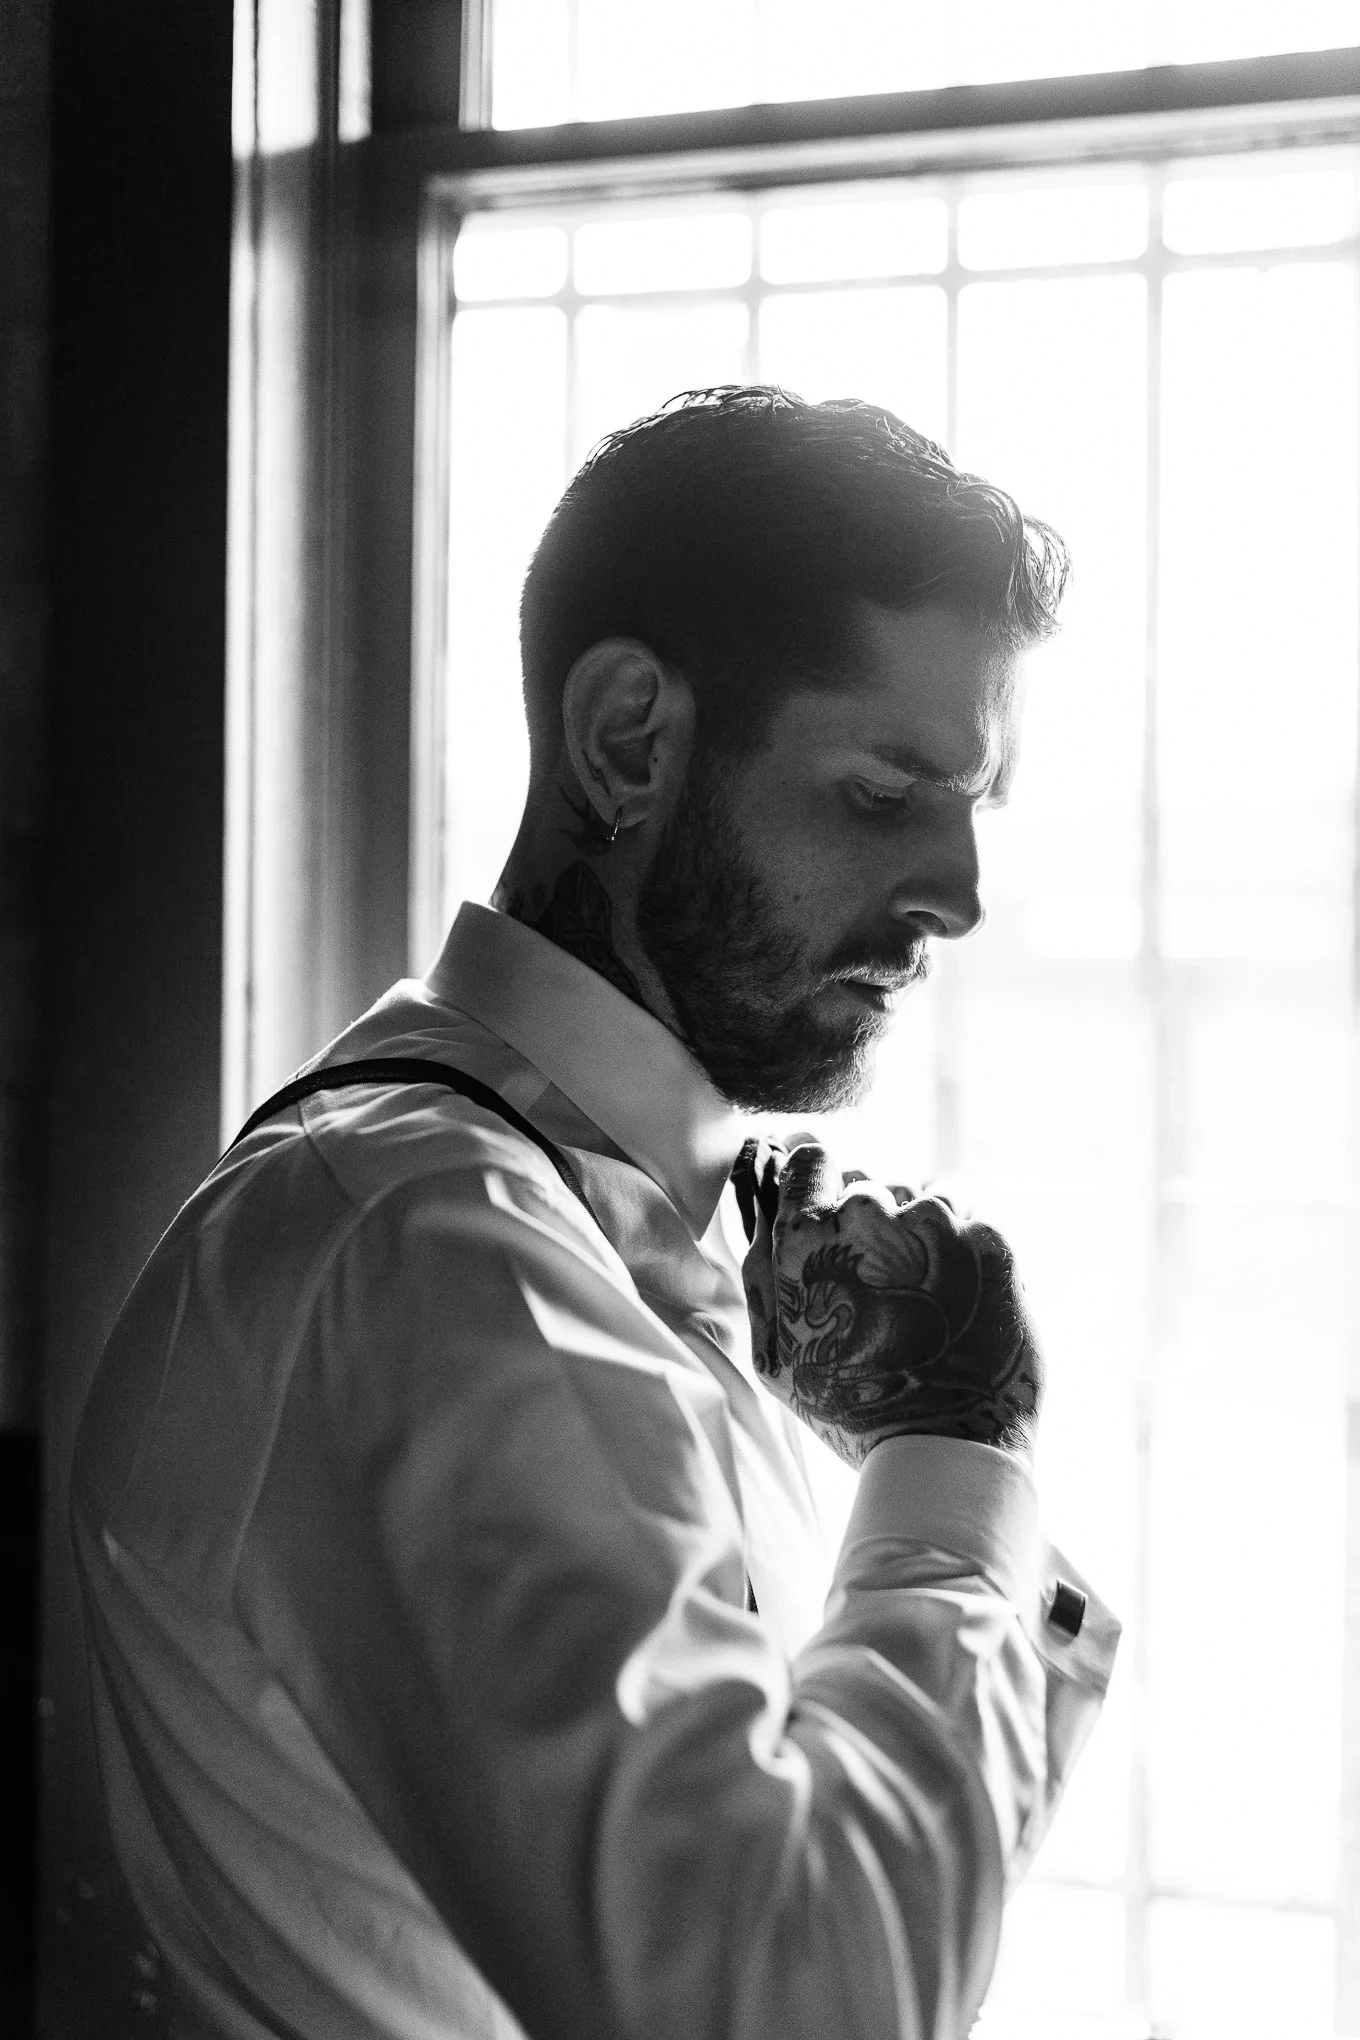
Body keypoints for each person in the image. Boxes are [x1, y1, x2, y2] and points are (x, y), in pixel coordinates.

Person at [72, 386, 1119, 2040]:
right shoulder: (425, 1248)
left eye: (969, 807)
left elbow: (854, 1900)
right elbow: (795, 2008)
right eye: (883, 793)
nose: (958, 897)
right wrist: (954, 1451)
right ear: (629, 737)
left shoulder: (586, 1234)